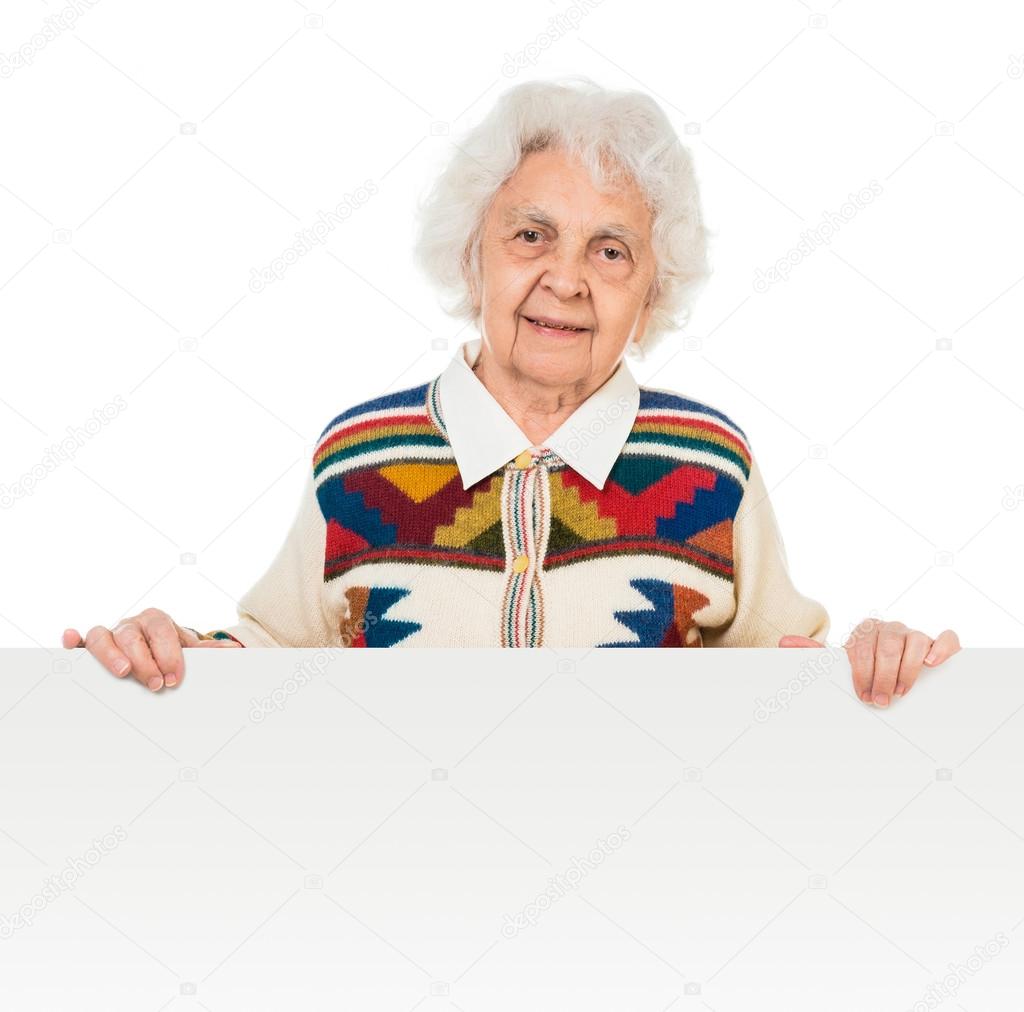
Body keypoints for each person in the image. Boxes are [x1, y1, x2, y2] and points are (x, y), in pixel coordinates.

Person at [63, 77, 960, 704]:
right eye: (531, 236)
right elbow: (280, 656)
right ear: (472, 257)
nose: (567, 280)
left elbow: (786, 678)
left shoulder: (709, 461)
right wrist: (173, 651)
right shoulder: (360, 458)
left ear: (653, 291)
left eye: (610, 251)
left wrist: (874, 662)